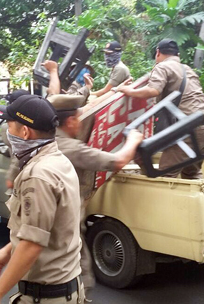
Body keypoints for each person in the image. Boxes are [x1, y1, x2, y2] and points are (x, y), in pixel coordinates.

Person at [0, 95, 85, 304]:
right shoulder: (57, 160)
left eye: (10, 128)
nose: (9, 134)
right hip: (65, 287)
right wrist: (8, 250)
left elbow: (32, 244)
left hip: (46, 296)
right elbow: (43, 226)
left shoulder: (38, 174)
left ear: (25, 132)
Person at [47, 94, 143, 299]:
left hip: (47, 221)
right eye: (79, 118)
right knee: (79, 274)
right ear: (71, 121)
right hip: (65, 225)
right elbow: (117, 162)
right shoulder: (71, 148)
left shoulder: (44, 142)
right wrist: (133, 140)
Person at [117, 38, 204, 179]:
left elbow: (153, 90)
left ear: (158, 52)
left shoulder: (163, 66)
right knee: (192, 173)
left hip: (191, 128)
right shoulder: (187, 69)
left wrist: (127, 90)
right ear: (178, 55)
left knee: (166, 175)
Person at [0, 89, 30, 189]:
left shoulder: (8, 127)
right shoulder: (36, 122)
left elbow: (19, 154)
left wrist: (11, 176)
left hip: (21, 174)